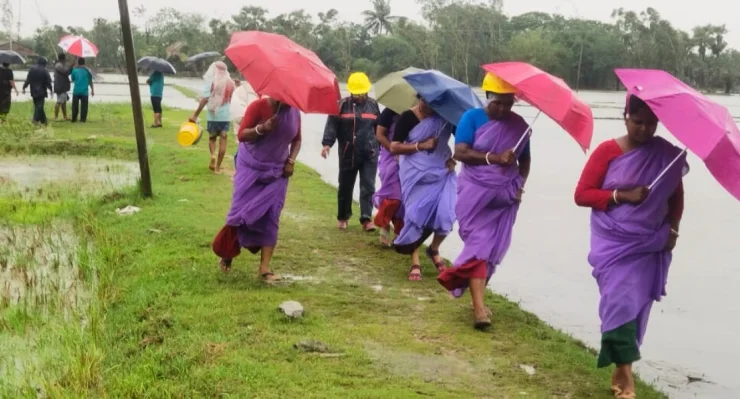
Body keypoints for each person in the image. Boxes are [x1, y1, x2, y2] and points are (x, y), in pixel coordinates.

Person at [573, 94, 687, 399]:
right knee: (618, 303)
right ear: (626, 117)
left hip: (650, 244)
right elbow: (582, 194)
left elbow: (675, 197)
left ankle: (623, 373)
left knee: (635, 309)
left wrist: (673, 229)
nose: (644, 129)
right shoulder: (607, 151)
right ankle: (626, 381)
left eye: (651, 123)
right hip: (613, 243)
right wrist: (621, 196)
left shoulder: (667, 156)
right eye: (638, 122)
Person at [437, 73, 532, 330]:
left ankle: (478, 306)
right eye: (497, 102)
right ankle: (478, 306)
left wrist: (519, 186)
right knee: (479, 245)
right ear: (488, 97)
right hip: (474, 193)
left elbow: (525, 161)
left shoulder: (521, 127)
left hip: (505, 196)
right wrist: (494, 158)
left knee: (489, 251)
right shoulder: (472, 118)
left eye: (508, 103)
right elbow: (460, 152)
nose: (502, 108)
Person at [212, 97, 302, 283]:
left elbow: (297, 139)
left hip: (277, 172)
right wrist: (262, 128)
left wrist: (291, 161)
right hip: (251, 167)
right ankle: (228, 253)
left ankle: (264, 268)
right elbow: (242, 135)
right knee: (241, 213)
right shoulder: (258, 106)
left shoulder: (294, 112)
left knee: (271, 215)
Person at [391, 96, 456, 281]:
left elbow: (465, 141)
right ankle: (415, 261)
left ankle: (434, 248)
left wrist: (454, 159)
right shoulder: (408, 117)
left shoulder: (447, 117)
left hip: (442, 171)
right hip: (415, 173)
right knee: (416, 215)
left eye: (434, 102)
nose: (428, 105)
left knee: (446, 214)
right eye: (424, 100)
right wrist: (421, 145)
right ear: (419, 97)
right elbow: (395, 147)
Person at [321, 72, 381, 231]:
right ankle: (343, 217)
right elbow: (332, 125)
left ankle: (366, 219)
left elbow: (379, 129)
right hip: (348, 152)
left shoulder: (374, 106)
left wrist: (382, 147)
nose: (359, 96)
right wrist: (327, 144)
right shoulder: (341, 105)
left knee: (368, 186)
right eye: (356, 92)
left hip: (370, 153)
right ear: (351, 91)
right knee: (345, 186)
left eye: (362, 92)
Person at [189, 61, 236, 174]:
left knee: (212, 138)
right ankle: (218, 168)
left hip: (213, 115)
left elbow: (205, 99)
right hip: (225, 115)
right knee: (223, 138)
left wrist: (195, 115)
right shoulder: (230, 82)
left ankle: (213, 155)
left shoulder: (211, 82)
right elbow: (233, 97)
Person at [373, 107, 404, 246]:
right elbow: (379, 135)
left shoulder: (419, 115)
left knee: (405, 199)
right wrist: (393, 149)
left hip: (409, 159)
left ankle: (400, 233)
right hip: (389, 157)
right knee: (393, 196)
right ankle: (384, 224)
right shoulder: (389, 112)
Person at [22, 57, 53, 125]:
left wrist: (24, 87)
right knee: (39, 106)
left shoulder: (32, 69)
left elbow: (28, 80)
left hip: (33, 90)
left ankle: (43, 121)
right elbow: (48, 81)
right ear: (44, 63)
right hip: (41, 91)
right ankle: (35, 120)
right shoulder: (45, 70)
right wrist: (51, 90)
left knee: (38, 106)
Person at [70, 57, 94, 123]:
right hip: (84, 92)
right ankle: (82, 120)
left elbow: (72, 79)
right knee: (84, 107)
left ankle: (74, 119)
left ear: (78, 62)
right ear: (84, 62)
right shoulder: (88, 71)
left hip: (76, 91)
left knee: (75, 107)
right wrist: (92, 90)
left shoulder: (74, 70)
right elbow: (90, 81)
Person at [53, 53, 71, 121]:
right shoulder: (59, 65)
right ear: (63, 59)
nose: (65, 60)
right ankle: (56, 117)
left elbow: (68, 72)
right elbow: (65, 72)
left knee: (64, 102)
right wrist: (71, 65)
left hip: (62, 86)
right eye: (65, 59)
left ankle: (65, 116)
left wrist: (71, 67)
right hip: (60, 86)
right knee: (59, 101)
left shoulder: (61, 65)